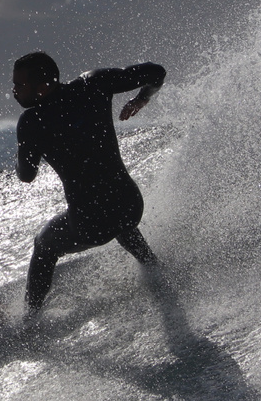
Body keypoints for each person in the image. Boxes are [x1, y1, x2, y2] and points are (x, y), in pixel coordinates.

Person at [12, 51, 166, 316]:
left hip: (90, 223)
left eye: (19, 85)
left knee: (43, 244)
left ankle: (29, 320)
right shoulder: (93, 83)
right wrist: (141, 99)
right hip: (130, 204)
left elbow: (26, 176)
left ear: (43, 86)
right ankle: (153, 265)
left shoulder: (31, 122)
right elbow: (156, 72)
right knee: (117, 215)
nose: (14, 91)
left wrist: (23, 153)